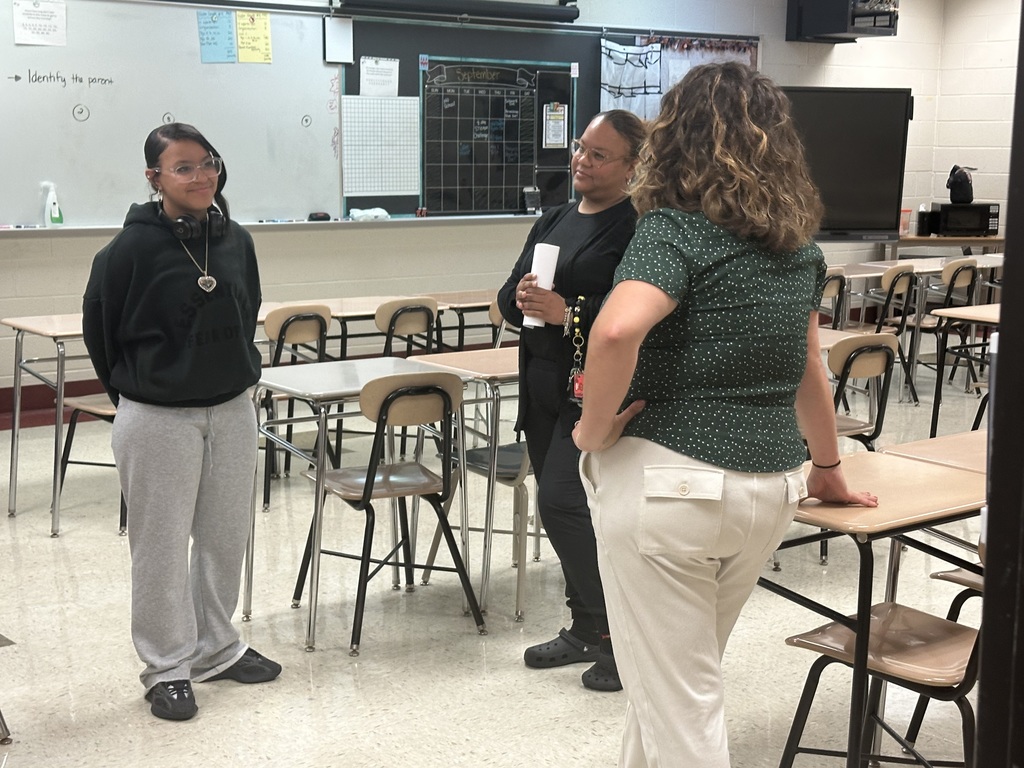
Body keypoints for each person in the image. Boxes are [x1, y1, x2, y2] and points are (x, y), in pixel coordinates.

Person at [572, 63, 879, 766]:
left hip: (670, 487)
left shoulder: (671, 233)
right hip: (768, 491)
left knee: (682, 703)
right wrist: (827, 469)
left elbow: (616, 331)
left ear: (672, 139)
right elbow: (809, 367)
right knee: (674, 683)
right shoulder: (798, 249)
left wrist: (592, 432)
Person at [83, 123, 281, 722]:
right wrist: (142, 389)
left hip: (230, 408)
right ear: (155, 178)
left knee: (224, 537)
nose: (201, 177)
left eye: (208, 164)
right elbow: (102, 331)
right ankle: (166, 666)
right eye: (184, 168)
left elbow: (246, 310)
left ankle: (216, 649)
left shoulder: (236, 239)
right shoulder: (126, 252)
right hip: (158, 416)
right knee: (162, 546)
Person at [497, 109, 645, 692]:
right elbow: (510, 300)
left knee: (562, 503)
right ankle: (586, 625)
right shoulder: (553, 218)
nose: (582, 160)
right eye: (581, 148)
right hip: (542, 387)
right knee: (562, 506)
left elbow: (637, 312)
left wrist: (570, 312)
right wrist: (524, 296)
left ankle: (619, 635)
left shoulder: (637, 226)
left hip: (594, 392)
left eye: (599, 154)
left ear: (633, 166)